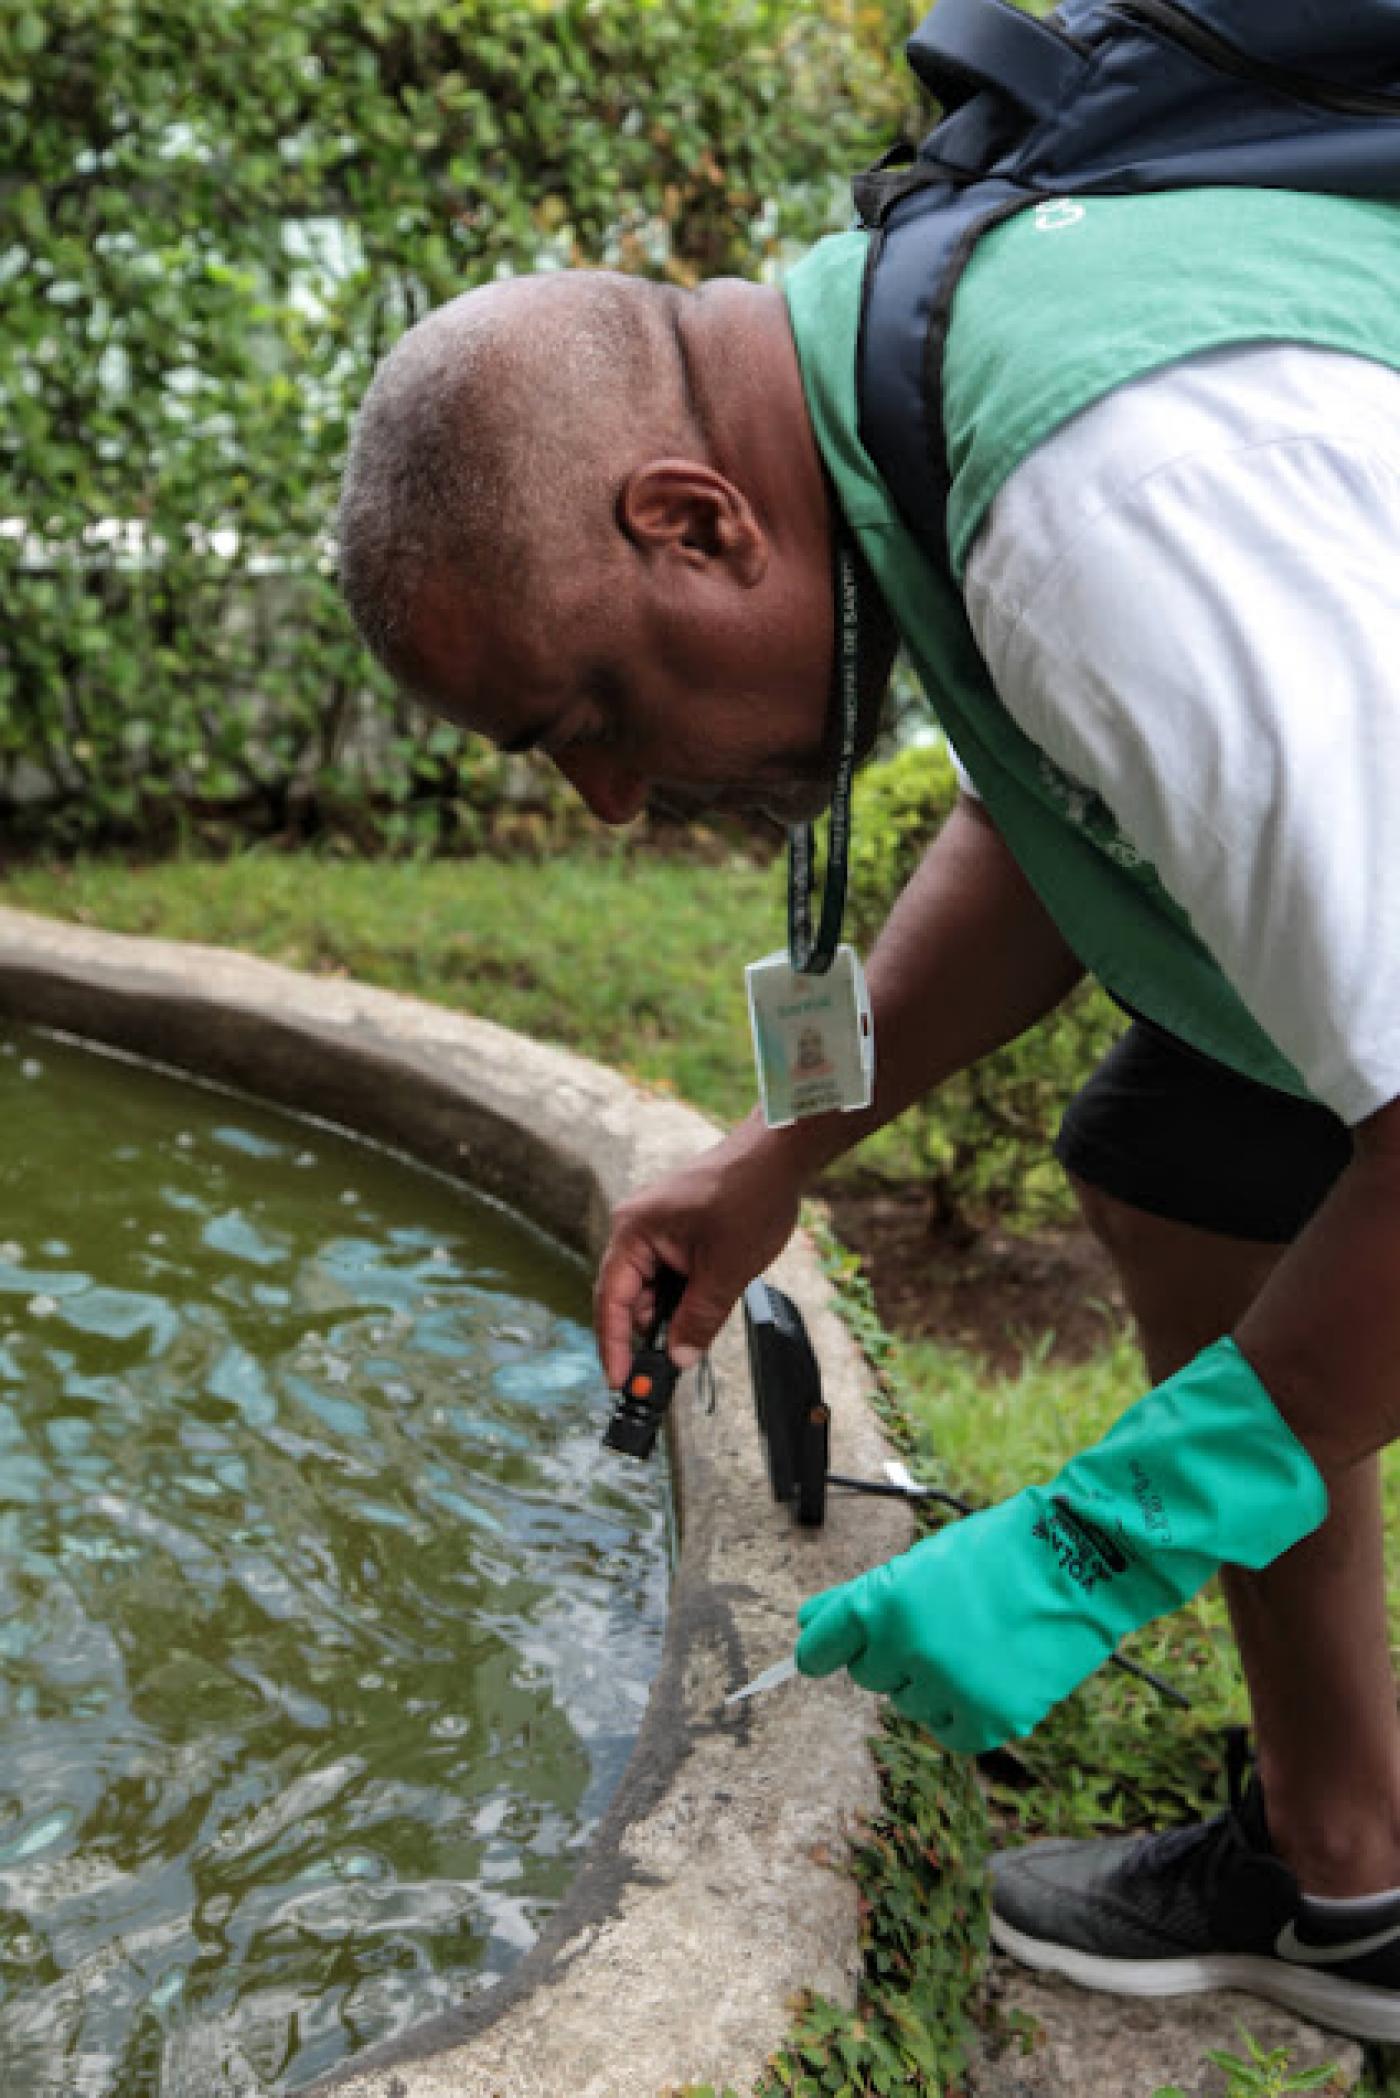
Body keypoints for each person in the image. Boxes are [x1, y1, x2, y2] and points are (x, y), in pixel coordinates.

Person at [336, 178, 1400, 2043]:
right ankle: (1355, 1872)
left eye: (582, 709)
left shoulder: (1106, 507)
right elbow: (1053, 810)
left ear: (690, 519)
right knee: (1184, 1156)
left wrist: (1097, 1544)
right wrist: (777, 1156)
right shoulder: (905, 370)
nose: (603, 799)